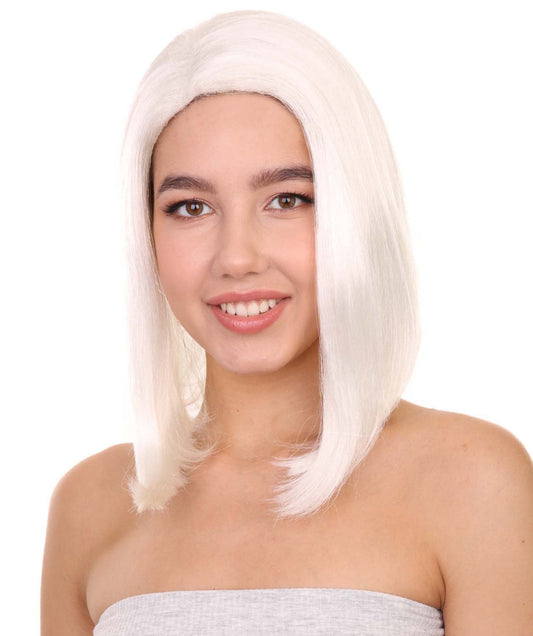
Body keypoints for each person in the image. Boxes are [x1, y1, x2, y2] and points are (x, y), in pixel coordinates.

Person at [41, 9, 533, 635]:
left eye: (287, 199)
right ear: (149, 234)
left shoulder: (472, 479)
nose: (237, 257)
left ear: (356, 214)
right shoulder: (90, 507)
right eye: (190, 207)